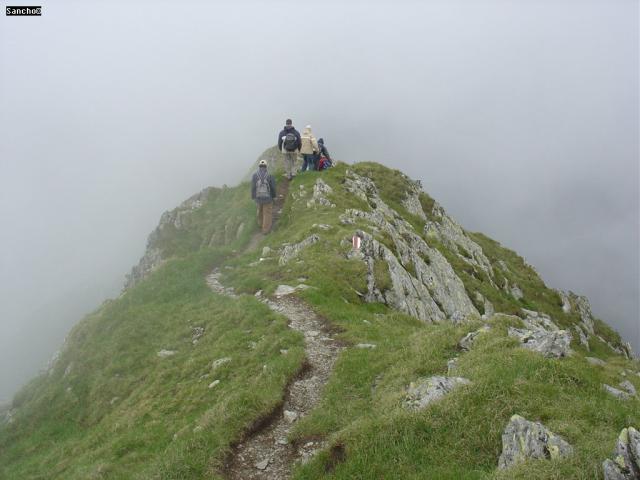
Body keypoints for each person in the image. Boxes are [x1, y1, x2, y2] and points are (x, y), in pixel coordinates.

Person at [251, 159, 276, 234]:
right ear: (266, 166)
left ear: (259, 166)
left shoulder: (255, 175)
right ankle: (265, 230)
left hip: (258, 198)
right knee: (267, 213)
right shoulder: (270, 175)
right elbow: (273, 187)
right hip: (268, 199)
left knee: (260, 211)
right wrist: (274, 196)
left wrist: (253, 197)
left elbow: (253, 187)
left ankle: (260, 224)